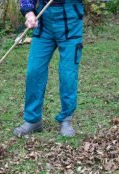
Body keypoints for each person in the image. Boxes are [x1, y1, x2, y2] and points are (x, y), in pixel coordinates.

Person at [13, 0, 84, 137]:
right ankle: (33, 120)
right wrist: (29, 13)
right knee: (34, 71)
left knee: (68, 74)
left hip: (71, 21)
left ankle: (66, 119)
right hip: (44, 22)